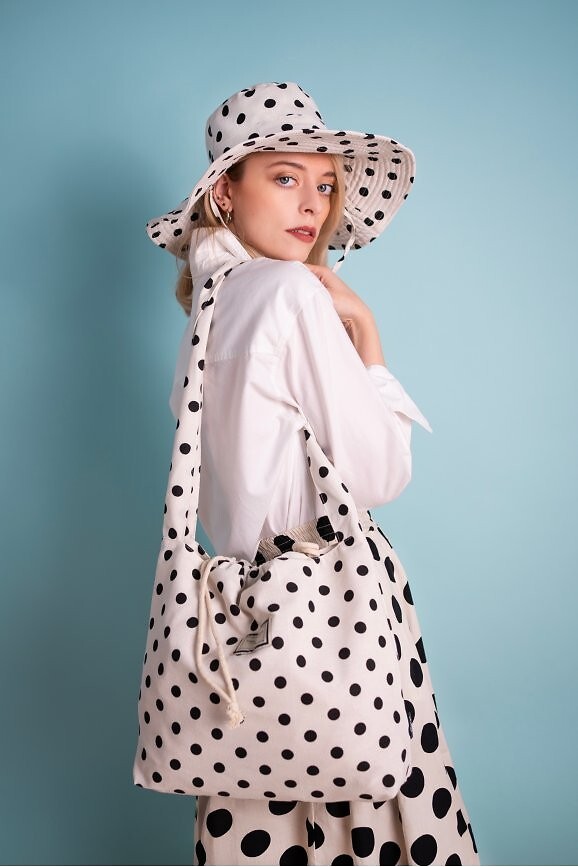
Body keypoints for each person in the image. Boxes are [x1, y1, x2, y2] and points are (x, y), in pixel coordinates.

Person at [145, 82, 479, 867]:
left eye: (325, 185)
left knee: (265, 823)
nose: (312, 204)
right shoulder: (290, 292)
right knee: (372, 818)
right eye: (285, 176)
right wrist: (369, 338)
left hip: (240, 632)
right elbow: (380, 473)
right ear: (225, 193)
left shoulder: (207, 314)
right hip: (333, 612)